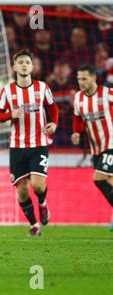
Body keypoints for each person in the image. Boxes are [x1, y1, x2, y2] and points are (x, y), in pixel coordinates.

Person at [0, 49, 59, 236]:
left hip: (38, 144)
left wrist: (54, 123)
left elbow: (52, 107)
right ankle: (34, 225)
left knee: (38, 186)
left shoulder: (42, 88)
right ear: (14, 66)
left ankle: (43, 203)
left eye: (27, 62)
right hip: (17, 147)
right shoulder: (7, 90)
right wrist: (10, 115)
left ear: (32, 67)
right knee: (22, 191)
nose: (24, 64)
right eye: (20, 61)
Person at [71, 64, 113, 231]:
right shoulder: (78, 98)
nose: (81, 82)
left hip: (111, 144)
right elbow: (77, 118)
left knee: (98, 178)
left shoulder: (106, 93)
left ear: (93, 78)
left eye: (84, 78)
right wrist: (76, 133)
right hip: (95, 148)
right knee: (109, 181)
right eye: (79, 79)